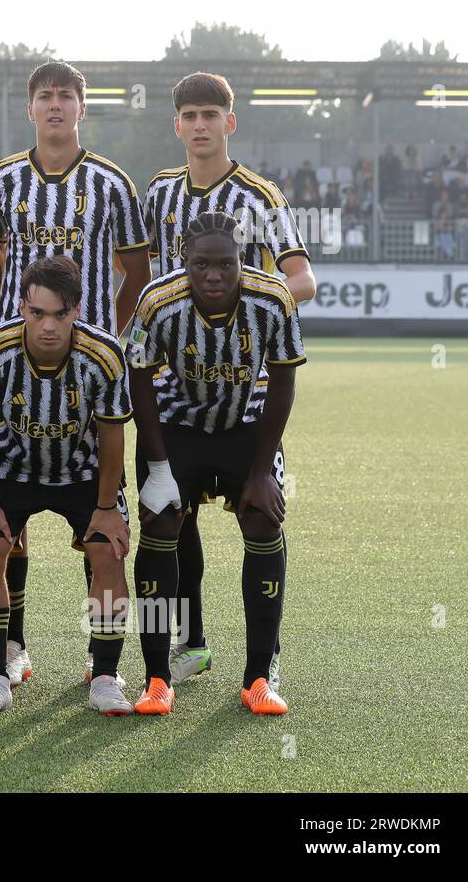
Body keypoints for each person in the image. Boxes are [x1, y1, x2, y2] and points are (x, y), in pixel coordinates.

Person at [142, 71, 316, 691]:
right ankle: (189, 643)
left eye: (209, 114)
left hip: (247, 389)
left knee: (260, 516)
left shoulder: (260, 195)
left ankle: (262, 666)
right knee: (170, 516)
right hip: (174, 388)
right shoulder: (160, 192)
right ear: (177, 124)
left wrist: (243, 304)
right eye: (188, 114)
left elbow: (302, 278)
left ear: (229, 123)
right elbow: (145, 279)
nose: (198, 125)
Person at [0, 60, 151, 688]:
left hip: (86, 367)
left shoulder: (110, 182)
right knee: (10, 506)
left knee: (98, 511)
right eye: (44, 96)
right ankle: (16, 647)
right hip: (16, 365)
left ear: (82, 107)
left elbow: (135, 270)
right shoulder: (1, 180)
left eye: (66, 96)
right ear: (30, 108)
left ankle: (99, 662)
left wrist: (114, 333)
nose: (55, 105)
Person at [127, 211, 306, 716]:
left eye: (224, 264)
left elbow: (284, 381)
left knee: (262, 517)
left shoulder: (272, 299)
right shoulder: (158, 302)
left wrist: (259, 472)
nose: (212, 275)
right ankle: (158, 678)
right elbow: (139, 378)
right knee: (160, 522)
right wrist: (158, 470)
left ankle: (258, 677)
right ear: (183, 261)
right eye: (201, 263)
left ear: (241, 262)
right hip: (176, 428)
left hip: (247, 428)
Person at [0, 256, 133, 717]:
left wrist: (106, 506)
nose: (48, 326)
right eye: (37, 313)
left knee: (108, 550)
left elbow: (113, 433)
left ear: (76, 310)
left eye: (59, 314)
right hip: (13, 470)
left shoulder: (104, 354)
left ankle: (105, 675)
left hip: (84, 473)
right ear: (21, 308)